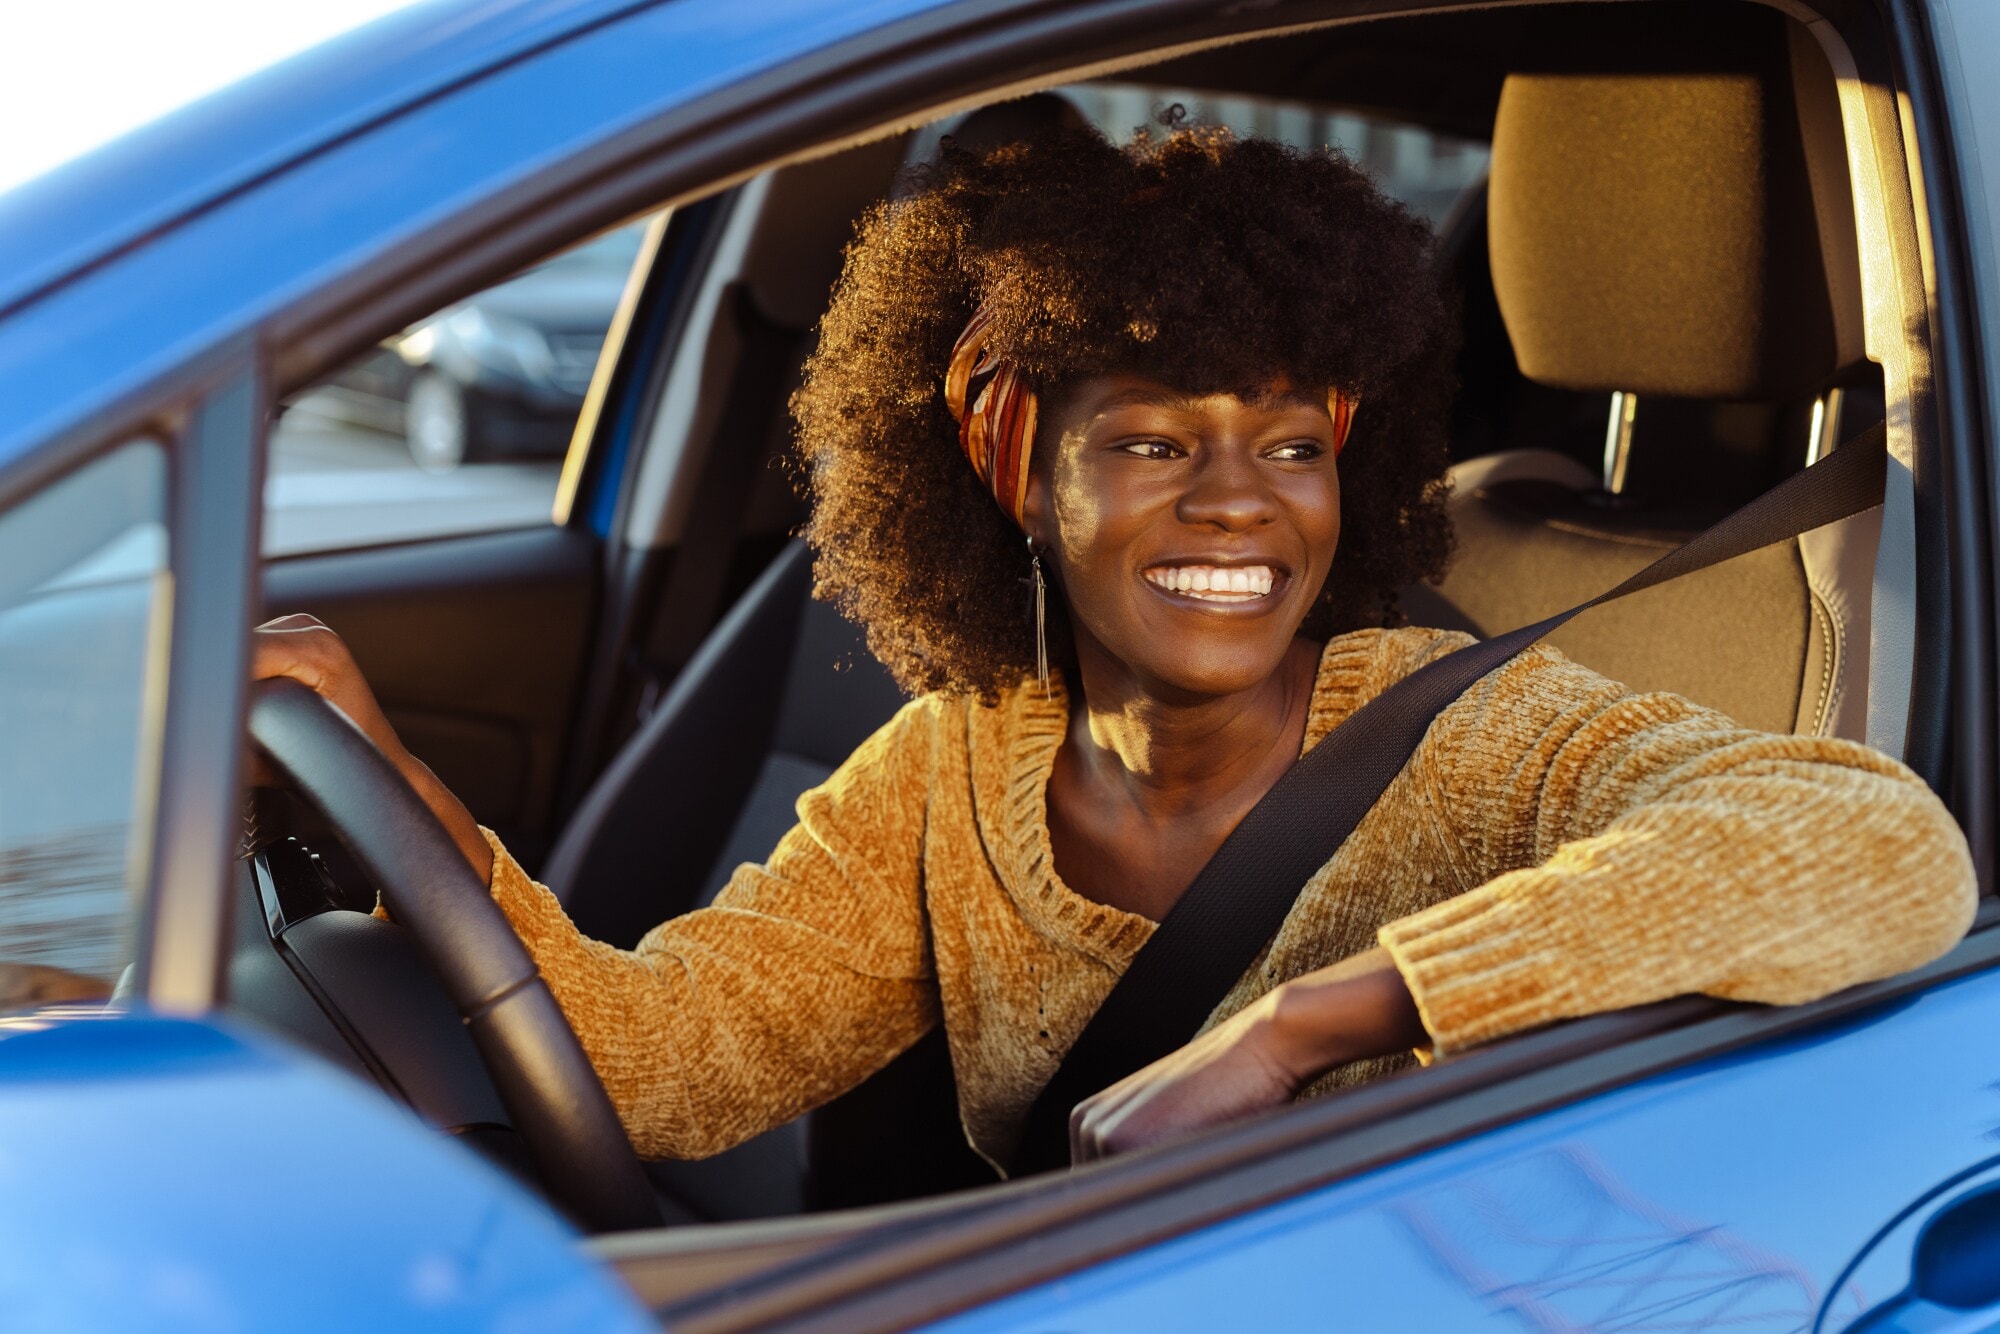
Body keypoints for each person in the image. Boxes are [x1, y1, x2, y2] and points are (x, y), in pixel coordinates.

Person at [254, 124, 1976, 1176]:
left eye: (1289, 443)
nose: (1239, 504)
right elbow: (666, 1066)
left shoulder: (1477, 739)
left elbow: (1882, 846)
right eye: (1152, 440)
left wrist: (1306, 1023)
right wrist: (383, 774)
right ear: (1018, 472)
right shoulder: (955, 768)